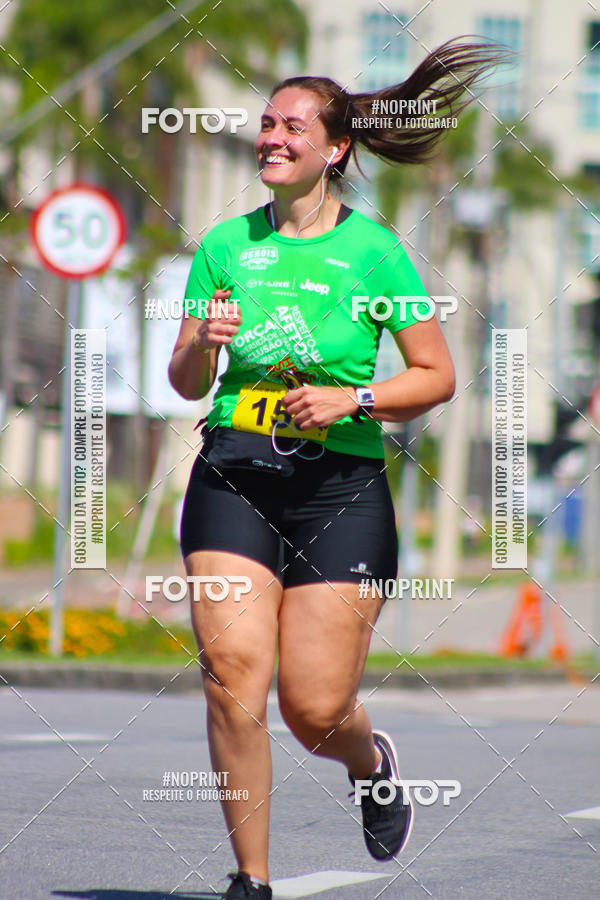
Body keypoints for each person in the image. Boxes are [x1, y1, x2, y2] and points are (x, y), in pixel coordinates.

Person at [169, 35, 508, 900]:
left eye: (291, 126)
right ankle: (251, 879)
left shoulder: (374, 253)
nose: (271, 138)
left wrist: (352, 402)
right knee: (231, 677)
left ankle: (371, 760)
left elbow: (437, 375)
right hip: (234, 473)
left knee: (313, 709)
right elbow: (183, 381)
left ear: (335, 147)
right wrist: (201, 348)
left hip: (340, 487)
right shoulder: (223, 247)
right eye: (265, 125)